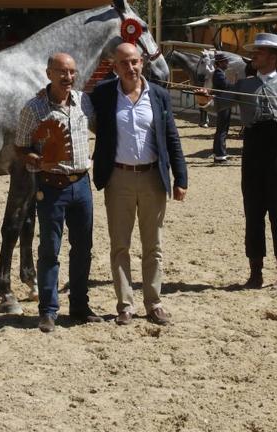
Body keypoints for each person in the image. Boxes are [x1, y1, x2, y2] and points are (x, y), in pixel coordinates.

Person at [203, 33, 277, 290]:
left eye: (258, 52)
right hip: (252, 149)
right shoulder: (244, 85)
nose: (254, 56)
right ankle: (255, 272)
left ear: (272, 56)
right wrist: (204, 100)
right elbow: (218, 104)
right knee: (253, 210)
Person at [89, 42, 188, 326]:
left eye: (134, 61)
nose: (130, 67)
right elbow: (74, 103)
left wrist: (181, 177)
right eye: (124, 63)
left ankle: (153, 302)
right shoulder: (104, 94)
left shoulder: (159, 95)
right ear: (115, 67)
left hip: (152, 178)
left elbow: (172, 138)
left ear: (142, 62)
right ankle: (125, 305)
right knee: (120, 245)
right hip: (117, 177)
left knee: (153, 245)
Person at [14, 52, 101, 333]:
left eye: (73, 72)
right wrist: (34, 160)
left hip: (81, 185)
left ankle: (79, 306)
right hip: (51, 186)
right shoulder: (34, 108)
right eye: (62, 72)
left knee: (83, 249)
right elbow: (20, 146)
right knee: (50, 250)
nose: (68, 77)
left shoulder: (83, 102)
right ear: (49, 73)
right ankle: (48, 310)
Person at [212, 52, 232, 165]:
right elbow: (226, 85)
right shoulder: (219, 74)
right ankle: (220, 156)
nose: (227, 63)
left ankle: (217, 153)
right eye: (225, 61)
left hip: (224, 103)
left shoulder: (221, 73)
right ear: (219, 63)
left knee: (221, 130)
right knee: (222, 130)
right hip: (223, 104)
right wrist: (234, 84)